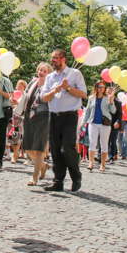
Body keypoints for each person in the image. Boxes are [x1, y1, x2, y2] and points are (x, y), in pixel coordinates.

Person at [41, 49, 87, 192]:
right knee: (55, 150)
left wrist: (68, 88)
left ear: (63, 59)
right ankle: (58, 181)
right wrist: (54, 91)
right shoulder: (50, 77)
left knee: (67, 148)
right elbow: (44, 98)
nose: (52, 60)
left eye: (55, 58)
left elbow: (83, 94)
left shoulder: (75, 74)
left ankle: (76, 176)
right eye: (52, 58)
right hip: (54, 116)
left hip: (70, 116)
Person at [14, 62, 53, 185]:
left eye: (44, 71)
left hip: (43, 117)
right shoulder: (32, 83)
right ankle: (42, 165)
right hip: (29, 117)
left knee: (39, 149)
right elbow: (26, 97)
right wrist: (17, 101)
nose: (41, 72)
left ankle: (34, 177)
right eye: (40, 70)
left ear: (49, 73)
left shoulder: (50, 85)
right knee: (27, 147)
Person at [82, 81, 116, 171]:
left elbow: (113, 111)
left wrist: (111, 101)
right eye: (99, 86)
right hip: (93, 122)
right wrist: (83, 123)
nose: (101, 88)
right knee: (92, 143)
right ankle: (91, 163)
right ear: (96, 87)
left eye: (103, 86)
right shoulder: (91, 98)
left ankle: (103, 164)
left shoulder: (108, 97)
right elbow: (87, 112)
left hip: (104, 123)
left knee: (104, 144)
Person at [9, 80, 27, 164]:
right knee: (13, 135)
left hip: (21, 117)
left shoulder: (25, 96)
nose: (19, 88)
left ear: (24, 88)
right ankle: (15, 153)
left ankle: (15, 154)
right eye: (18, 87)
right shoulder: (14, 93)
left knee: (19, 135)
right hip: (13, 116)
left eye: (21, 87)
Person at [107, 87, 122, 164]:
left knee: (112, 141)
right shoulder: (104, 101)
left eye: (109, 92)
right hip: (105, 123)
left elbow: (119, 114)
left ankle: (111, 156)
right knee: (105, 141)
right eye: (107, 92)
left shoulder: (118, 103)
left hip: (113, 124)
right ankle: (103, 156)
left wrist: (117, 122)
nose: (108, 94)